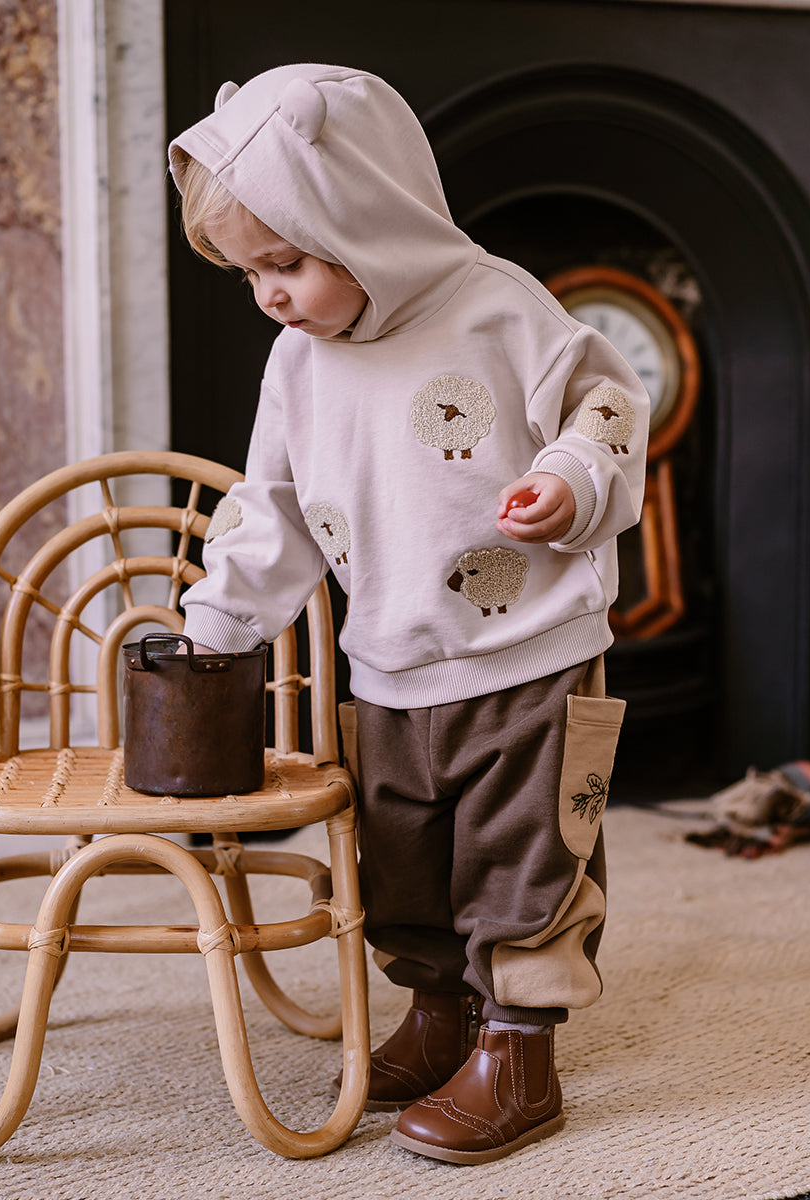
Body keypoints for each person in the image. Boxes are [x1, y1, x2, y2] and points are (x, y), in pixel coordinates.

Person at [168, 63, 648, 1165]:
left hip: (527, 655)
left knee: (527, 856)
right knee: (403, 861)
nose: (270, 295)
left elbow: (609, 403)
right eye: (250, 274)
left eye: (286, 262)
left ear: (369, 219)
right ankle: (442, 1015)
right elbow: (271, 508)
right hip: (387, 664)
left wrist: (572, 478)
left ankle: (519, 1051)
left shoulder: (500, 308)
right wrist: (218, 624)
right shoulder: (297, 364)